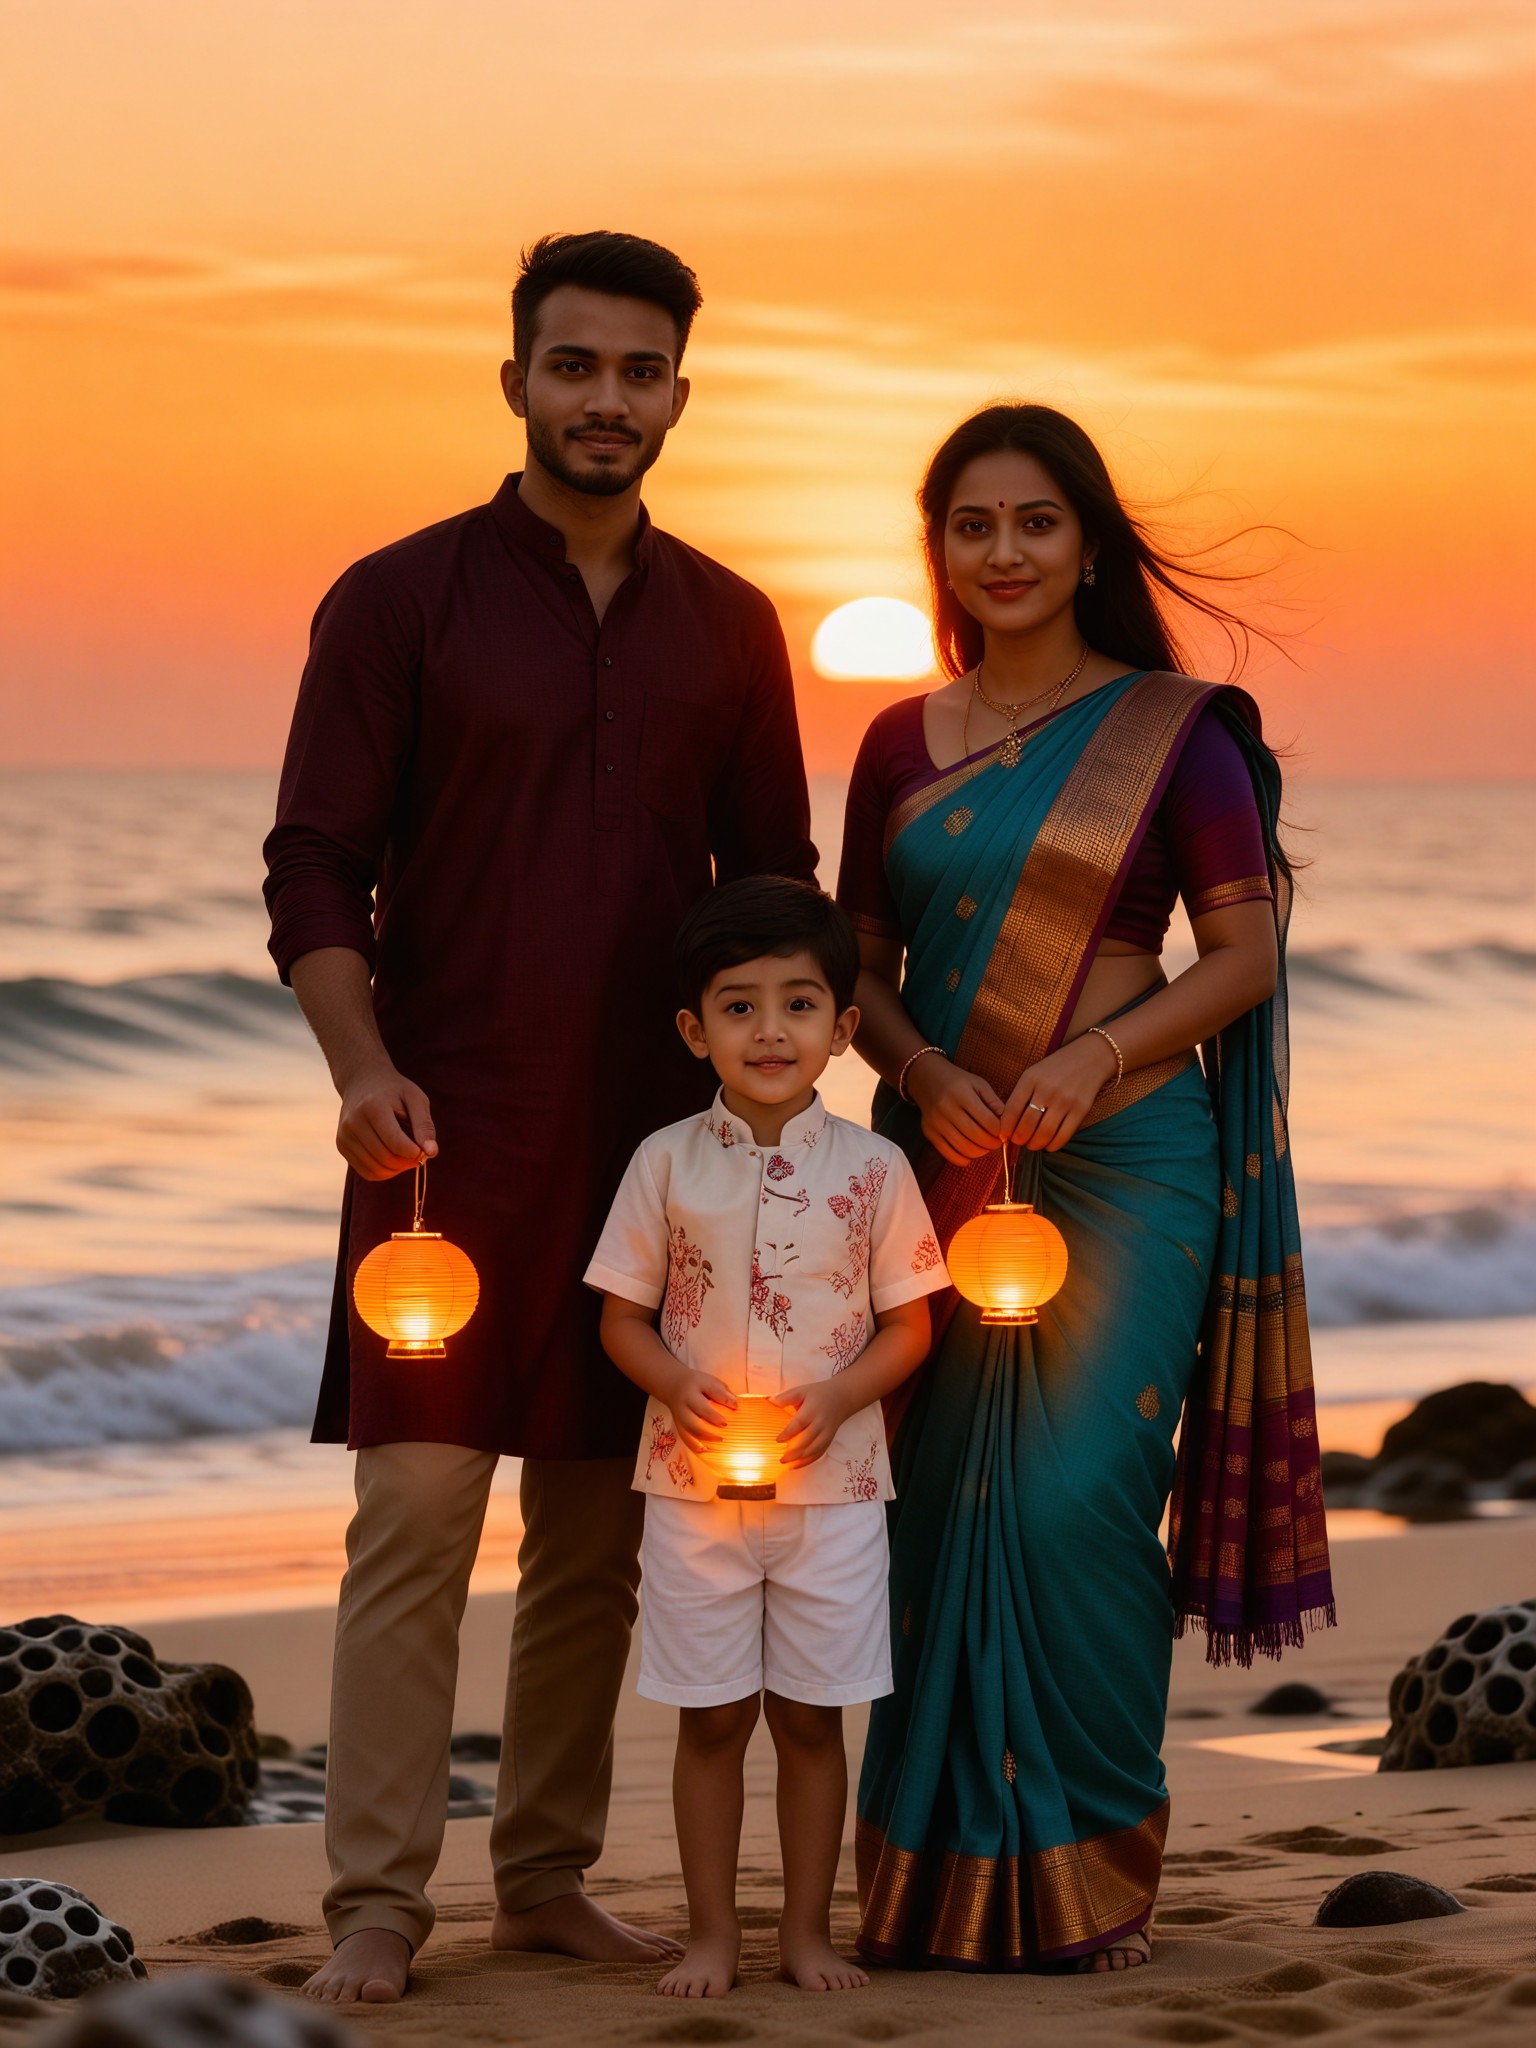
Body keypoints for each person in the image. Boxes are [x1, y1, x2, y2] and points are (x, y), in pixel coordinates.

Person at [262, 231, 818, 2006]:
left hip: (658, 1149)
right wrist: (357, 1066)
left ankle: (551, 1874)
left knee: (600, 1520)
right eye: (575, 366)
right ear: (514, 381)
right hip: (439, 1137)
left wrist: (786, 1112)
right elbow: (316, 866)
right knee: (418, 1506)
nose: (608, 399)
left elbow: (776, 889)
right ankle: (376, 1895)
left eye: (641, 369)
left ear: (679, 390)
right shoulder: (398, 598)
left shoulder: (732, 623)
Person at [836, 405, 1335, 1974]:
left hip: (1126, 1160)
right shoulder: (897, 744)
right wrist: (921, 1075)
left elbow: (1243, 956)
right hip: (949, 1157)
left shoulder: (1174, 732)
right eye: (972, 525)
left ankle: (1094, 1863)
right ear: (942, 549)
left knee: (1071, 1505)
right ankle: (930, 1887)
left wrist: (1096, 1064)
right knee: (931, 1514)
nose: (1003, 552)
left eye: (1035, 522)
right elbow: (860, 973)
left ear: (1089, 543)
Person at [584, 878, 950, 1997]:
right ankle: (712, 1934)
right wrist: (675, 1380)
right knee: (711, 1719)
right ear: (696, 1030)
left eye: (798, 1004)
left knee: (807, 1718)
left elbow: (910, 1323)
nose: (770, 1029)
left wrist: (842, 1398)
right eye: (738, 1007)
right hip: (695, 1493)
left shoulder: (877, 1170)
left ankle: (805, 1931)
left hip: (835, 1494)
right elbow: (621, 1317)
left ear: (845, 1030)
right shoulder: (664, 1160)